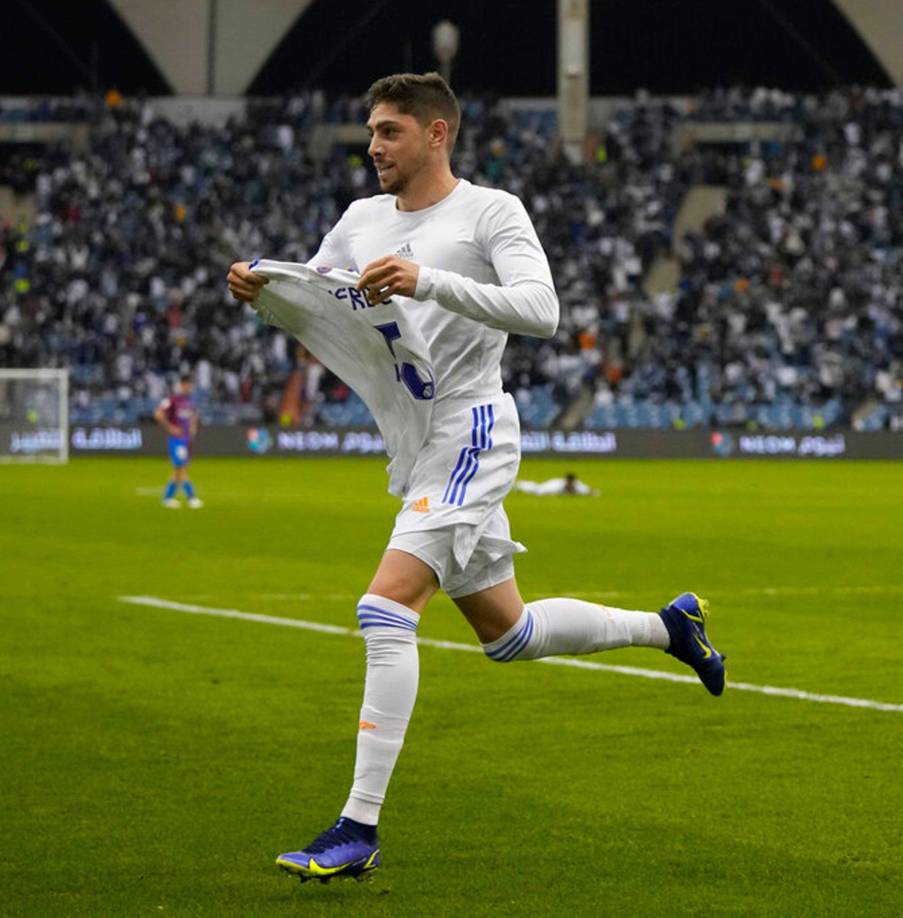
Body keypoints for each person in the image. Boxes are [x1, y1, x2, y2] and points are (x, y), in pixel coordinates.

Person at [226, 72, 725, 885]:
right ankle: (669, 628)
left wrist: (427, 281)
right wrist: (258, 290)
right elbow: (316, 296)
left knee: (384, 608)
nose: (372, 146)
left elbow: (542, 309)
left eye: (388, 130)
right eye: (371, 130)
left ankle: (357, 828)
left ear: (437, 134)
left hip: (473, 427)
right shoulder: (358, 221)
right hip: (416, 441)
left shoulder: (489, 211)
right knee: (510, 635)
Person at [153, 374, 203, 509]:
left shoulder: (190, 400)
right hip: (177, 440)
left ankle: (167, 498)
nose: (189, 387)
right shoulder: (172, 399)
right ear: (181, 385)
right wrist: (170, 428)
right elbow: (158, 414)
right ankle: (191, 497)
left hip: (187, 440)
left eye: (190, 385)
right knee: (181, 469)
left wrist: (193, 427)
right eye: (186, 384)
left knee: (179, 470)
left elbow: (194, 414)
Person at [515, 471, 599, 496]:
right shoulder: (556, 485)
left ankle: (521, 484)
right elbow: (541, 493)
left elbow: (586, 490)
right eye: (569, 481)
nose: (571, 483)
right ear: (566, 480)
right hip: (551, 484)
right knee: (537, 489)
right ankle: (520, 485)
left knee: (537, 487)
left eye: (572, 482)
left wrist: (593, 492)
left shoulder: (577, 485)